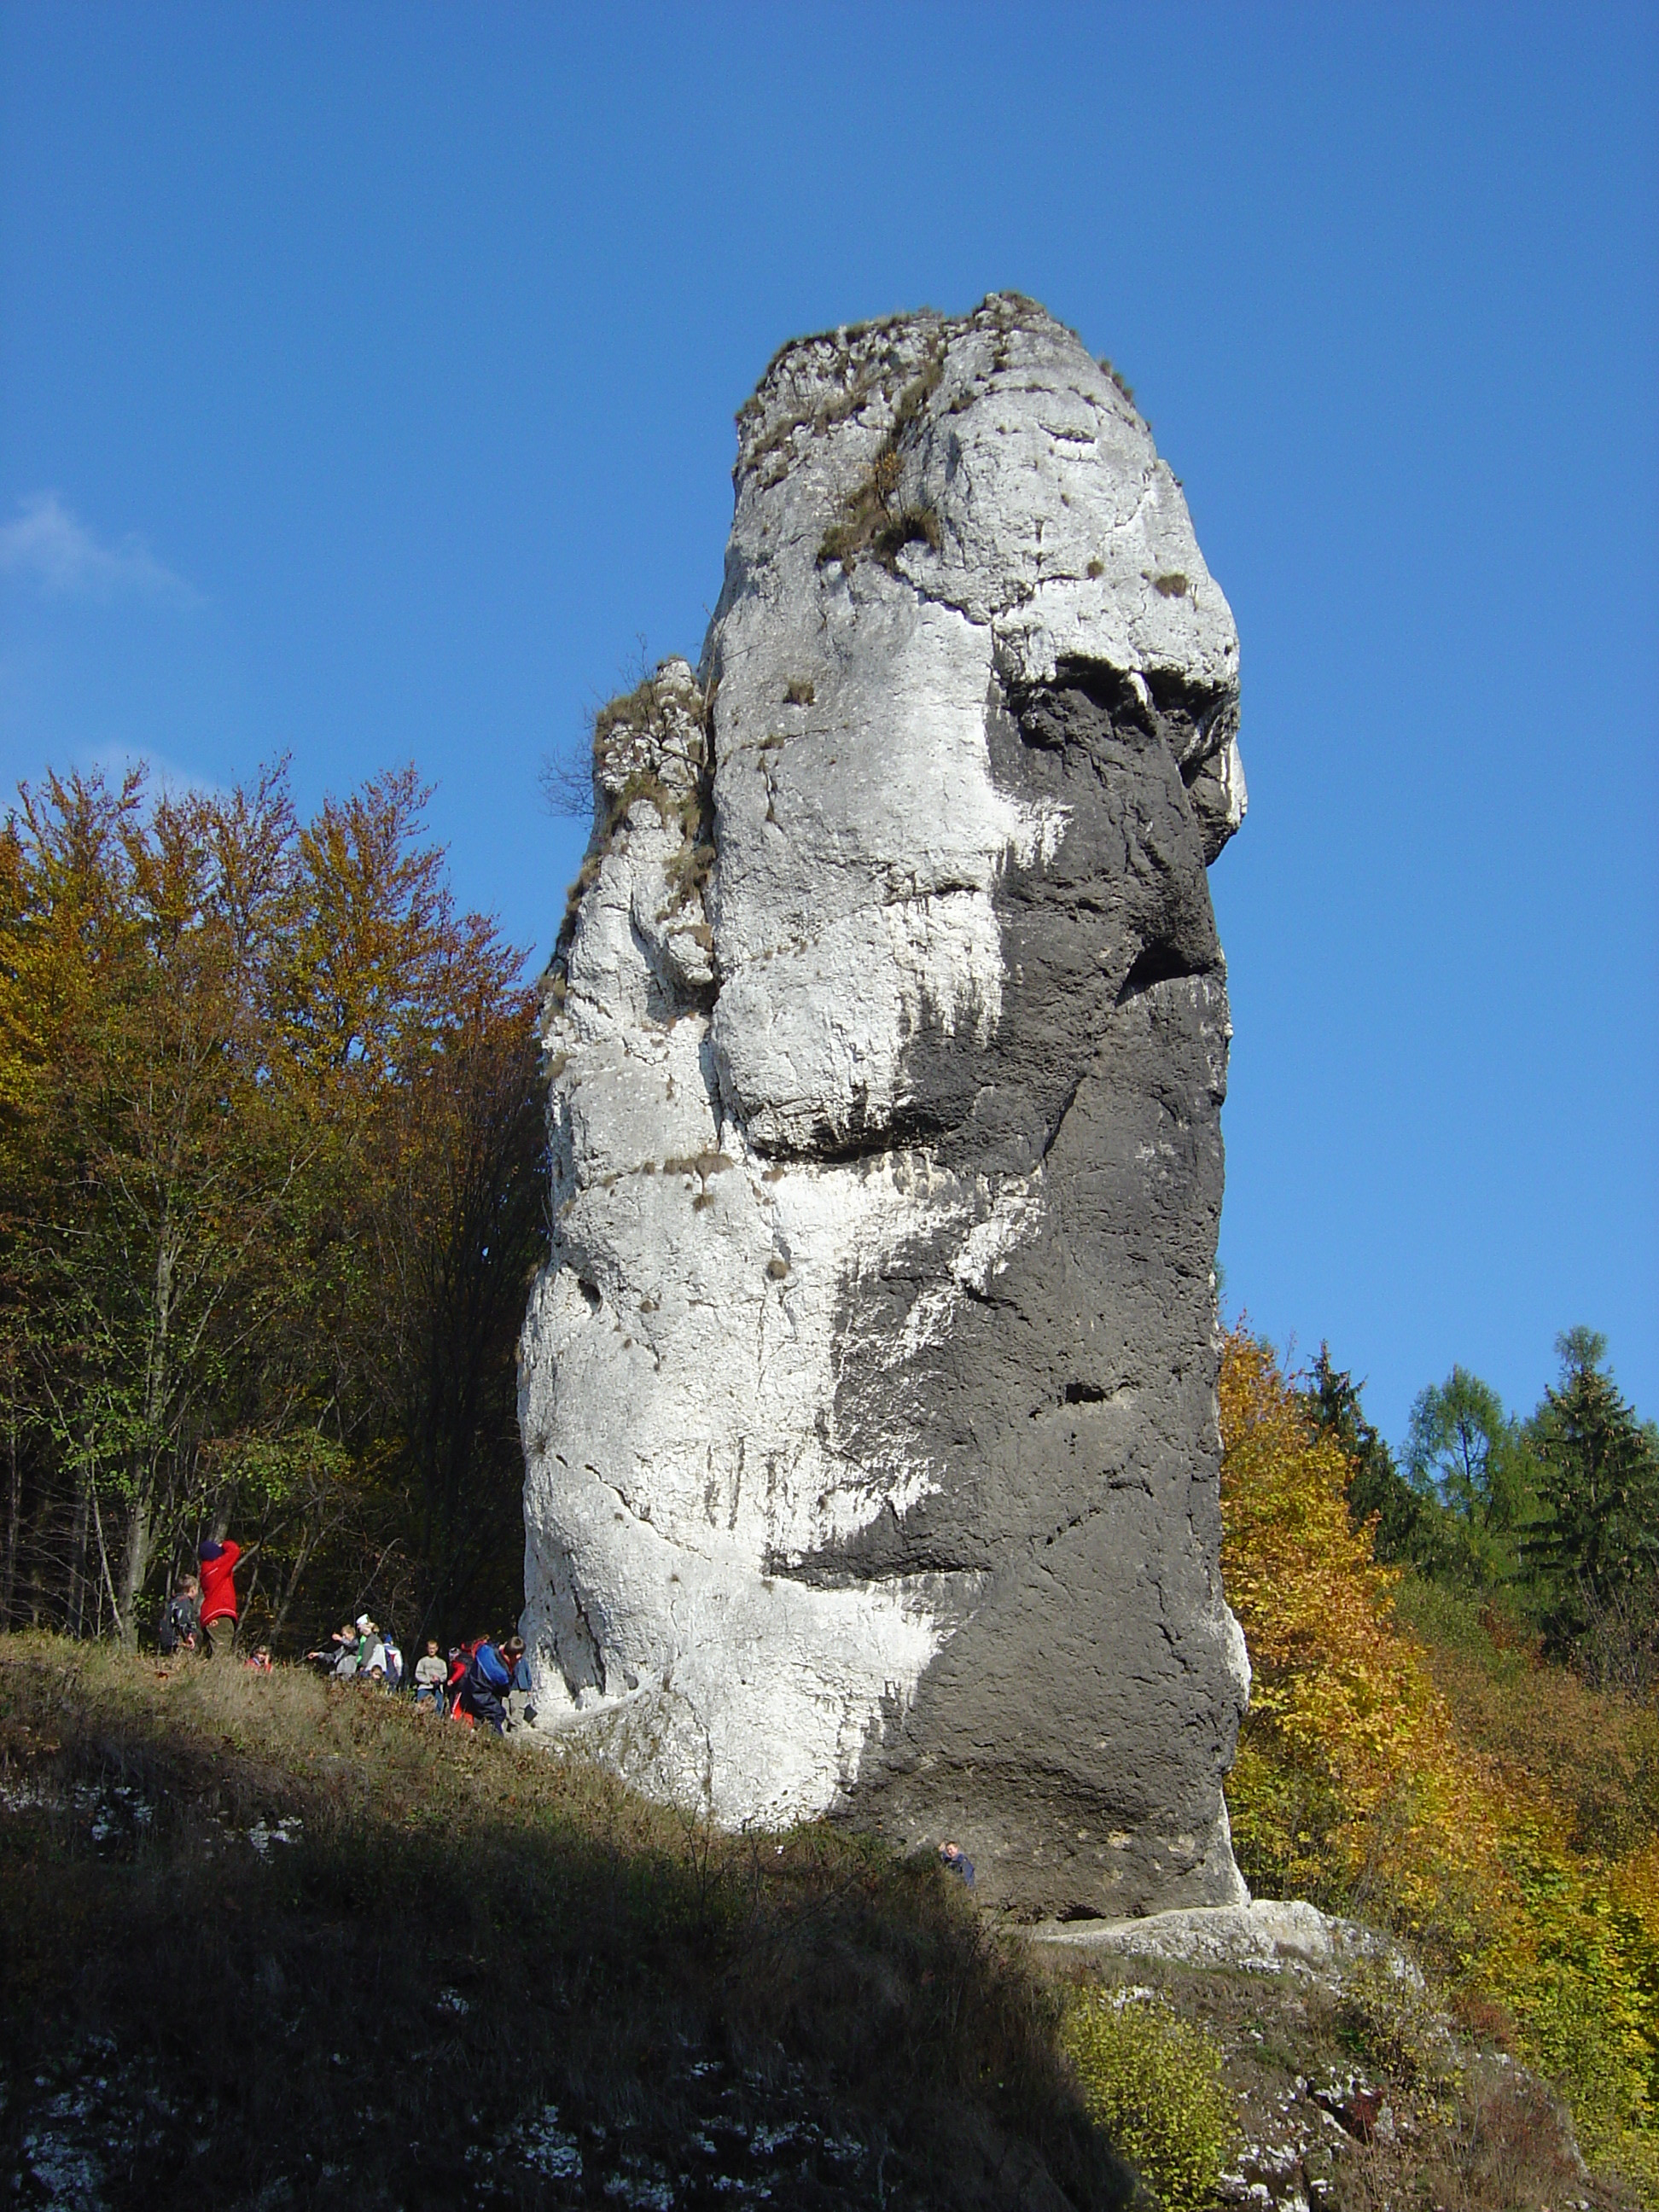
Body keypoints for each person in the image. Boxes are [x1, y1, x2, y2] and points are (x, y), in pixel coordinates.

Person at [459, 1633, 515, 1734]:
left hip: (467, 1688)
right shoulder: (501, 1674)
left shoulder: (484, 1649)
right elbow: (505, 1691)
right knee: (498, 1714)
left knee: (479, 1715)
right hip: (479, 1695)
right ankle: (495, 1740)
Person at [196, 1537, 241, 1659]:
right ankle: (218, 1671)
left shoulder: (206, 1571)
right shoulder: (217, 1567)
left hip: (208, 1615)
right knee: (221, 1651)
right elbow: (234, 1550)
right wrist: (223, 1545)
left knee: (206, 1654)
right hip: (220, 1614)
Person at [157, 1572, 201, 1656]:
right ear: (192, 1589)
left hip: (167, 1642)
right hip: (178, 1643)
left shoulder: (172, 1602)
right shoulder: (184, 1603)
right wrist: (189, 1636)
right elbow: (183, 1620)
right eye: (197, 1589)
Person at [413, 1639, 447, 1712]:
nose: (432, 1650)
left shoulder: (441, 1662)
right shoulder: (422, 1661)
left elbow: (445, 1675)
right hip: (424, 1687)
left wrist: (438, 1679)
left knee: (439, 1708)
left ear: (437, 1649)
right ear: (427, 1649)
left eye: (433, 1648)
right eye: (430, 1648)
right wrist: (429, 1679)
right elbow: (418, 1674)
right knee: (420, 1708)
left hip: (438, 1688)